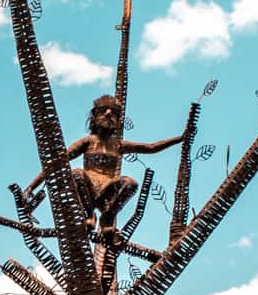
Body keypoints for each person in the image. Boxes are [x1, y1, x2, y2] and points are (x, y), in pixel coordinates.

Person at [23, 95, 184, 230]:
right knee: (77, 173)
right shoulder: (88, 142)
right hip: (88, 191)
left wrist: (180, 138)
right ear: (94, 116)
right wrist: (32, 186)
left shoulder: (118, 144)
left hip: (107, 191)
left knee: (130, 183)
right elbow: (58, 162)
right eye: (103, 111)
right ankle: (88, 214)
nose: (108, 114)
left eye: (113, 112)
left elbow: (151, 147)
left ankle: (107, 218)